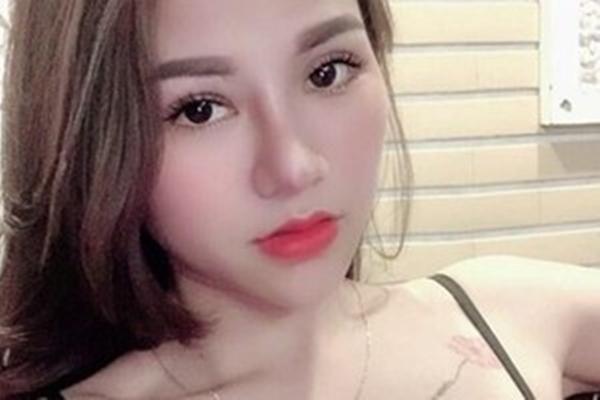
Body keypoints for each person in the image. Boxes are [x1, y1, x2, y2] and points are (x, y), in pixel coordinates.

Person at [0, 0, 600, 399]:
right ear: (95, 142)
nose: (293, 167)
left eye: (328, 71)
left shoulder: (511, 316)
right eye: (199, 109)